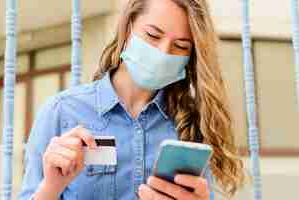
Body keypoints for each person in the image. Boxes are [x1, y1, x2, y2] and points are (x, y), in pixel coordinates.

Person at [18, 0, 245, 199]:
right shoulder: (62, 111)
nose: (163, 52)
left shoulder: (191, 124)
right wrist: (50, 188)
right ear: (127, 29)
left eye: (180, 46)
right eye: (153, 35)